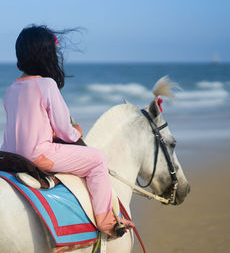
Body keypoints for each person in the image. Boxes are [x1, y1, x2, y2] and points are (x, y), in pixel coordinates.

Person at [1, 25, 133, 236]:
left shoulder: (11, 88)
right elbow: (65, 132)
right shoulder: (47, 85)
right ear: (47, 55)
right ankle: (106, 220)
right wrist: (76, 132)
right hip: (38, 155)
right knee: (98, 158)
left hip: (9, 154)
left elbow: (25, 123)